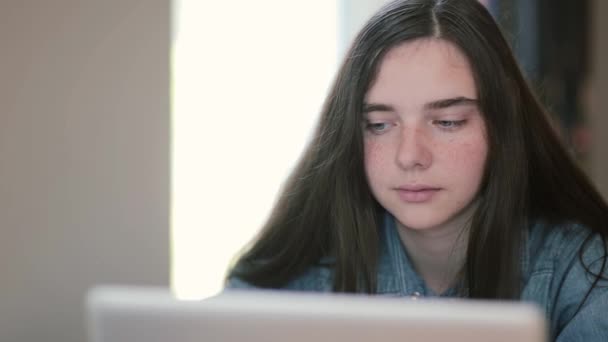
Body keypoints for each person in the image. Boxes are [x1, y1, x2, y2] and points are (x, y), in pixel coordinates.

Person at [225, 0, 608, 340]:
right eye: (379, 124)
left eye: (448, 122)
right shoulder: (296, 280)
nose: (409, 156)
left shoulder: (579, 271)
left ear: (501, 126)